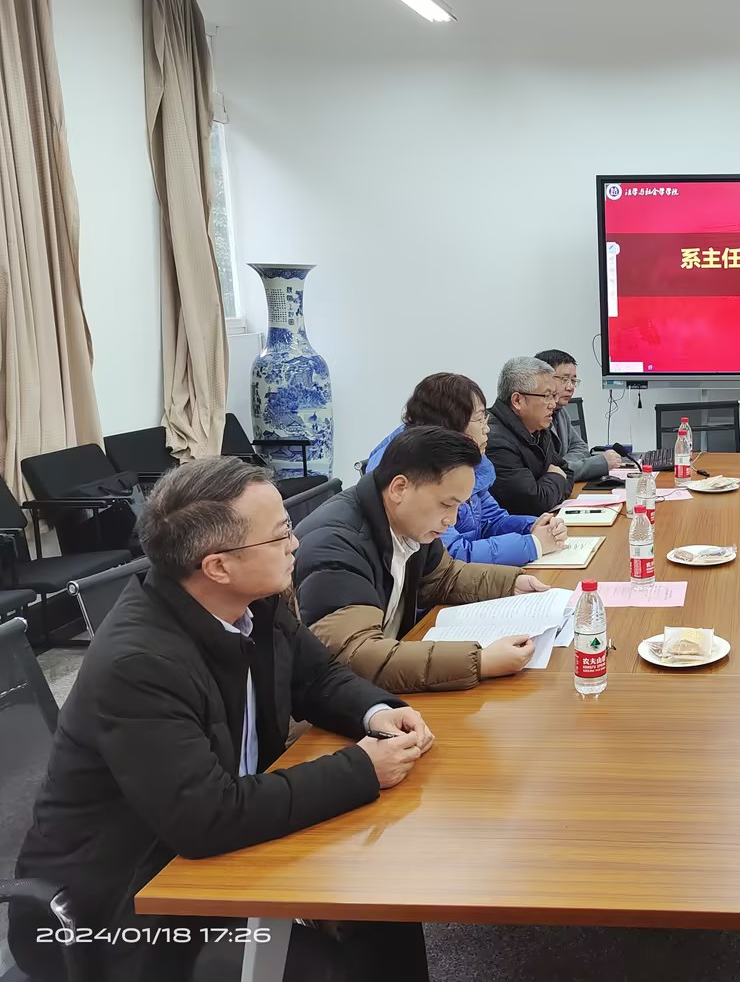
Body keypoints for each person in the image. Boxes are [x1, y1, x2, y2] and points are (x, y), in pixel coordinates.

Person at [11, 459, 433, 982]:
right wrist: (363, 768)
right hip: (118, 907)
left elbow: (318, 678)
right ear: (217, 566)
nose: (295, 543)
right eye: (279, 535)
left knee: (383, 901)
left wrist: (381, 711)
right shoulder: (139, 663)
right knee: (314, 967)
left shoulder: (253, 603)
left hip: (209, 841)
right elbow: (206, 818)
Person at [295, 426, 547, 693]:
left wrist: (513, 584)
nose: (452, 520)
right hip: (325, 706)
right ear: (399, 488)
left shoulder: (411, 523)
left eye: (459, 506)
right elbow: (357, 656)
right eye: (446, 504)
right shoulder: (335, 545)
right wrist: (480, 661)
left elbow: (444, 577)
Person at [366, 372, 568, 566]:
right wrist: (532, 544)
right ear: (450, 423)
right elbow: (451, 555)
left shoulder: (464, 462)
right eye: (480, 419)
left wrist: (532, 526)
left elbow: (491, 520)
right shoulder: (416, 471)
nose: (487, 428)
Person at [485, 355, 576, 516]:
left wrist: (548, 484)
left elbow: (567, 473)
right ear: (517, 401)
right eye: (547, 396)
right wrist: (555, 477)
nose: (553, 404)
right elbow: (533, 503)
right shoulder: (495, 440)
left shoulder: (538, 429)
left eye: (554, 396)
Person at [534, 348, 621, 482]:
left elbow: (580, 447)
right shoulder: (534, 417)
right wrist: (599, 464)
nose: (570, 387)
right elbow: (546, 471)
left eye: (573, 381)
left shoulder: (561, 411)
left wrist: (564, 465)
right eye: (564, 379)